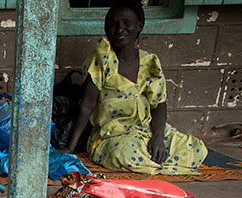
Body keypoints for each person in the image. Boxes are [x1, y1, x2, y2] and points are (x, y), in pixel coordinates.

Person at [63, 0, 208, 176]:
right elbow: (87, 105)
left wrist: (158, 138)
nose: (119, 30)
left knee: (194, 148)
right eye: (113, 25)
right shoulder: (101, 60)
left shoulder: (149, 62)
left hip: (144, 129)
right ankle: (161, 166)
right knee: (125, 154)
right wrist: (70, 148)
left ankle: (153, 164)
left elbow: (159, 104)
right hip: (111, 136)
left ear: (139, 25)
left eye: (126, 23)